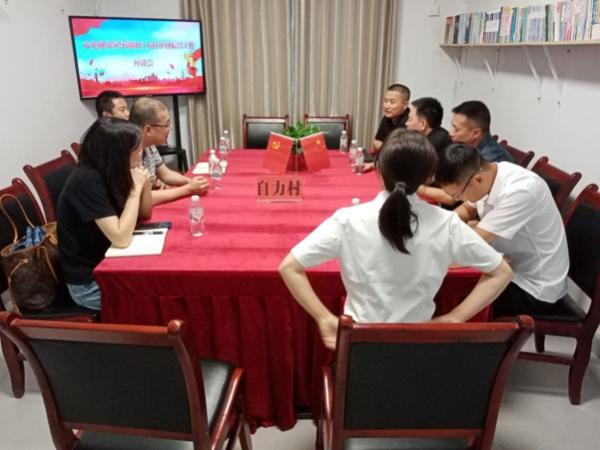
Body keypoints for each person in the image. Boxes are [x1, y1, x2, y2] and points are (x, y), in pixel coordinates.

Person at [279, 129, 513, 350]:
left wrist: (323, 317)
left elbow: (289, 267)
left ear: (378, 169)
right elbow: (501, 272)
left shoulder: (348, 220)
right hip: (418, 348)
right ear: (429, 176)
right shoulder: (446, 223)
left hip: (359, 348)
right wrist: (454, 317)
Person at [436, 143, 569, 317]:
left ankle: (449, 326)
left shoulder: (521, 190)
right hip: (511, 265)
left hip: (533, 287)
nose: (457, 199)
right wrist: (440, 227)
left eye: (457, 194)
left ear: (477, 180)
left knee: (445, 290)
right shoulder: (491, 174)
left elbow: (468, 247)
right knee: (443, 279)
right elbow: (467, 210)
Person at [57, 118, 153, 310]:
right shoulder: (86, 181)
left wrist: (144, 183)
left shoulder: (112, 170)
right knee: (155, 300)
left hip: (111, 262)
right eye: (137, 149)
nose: (142, 152)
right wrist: (135, 189)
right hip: (89, 284)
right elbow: (121, 238)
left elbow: (144, 213)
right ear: (119, 153)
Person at [129, 97, 209, 205]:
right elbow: (142, 199)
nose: (170, 129)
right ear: (148, 130)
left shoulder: (149, 146)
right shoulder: (130, 153)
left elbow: (166, 174)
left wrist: (190, 182)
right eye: (166, 125)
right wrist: (188, 189)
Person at [406, 97, 455, 206]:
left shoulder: (432, 144)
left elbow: (412, 175)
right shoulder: (436, 134)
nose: (406, 124)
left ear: (422, 124)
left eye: (410, 119)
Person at [372, 83, 411, 151]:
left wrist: (383, 146)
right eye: (385, 101)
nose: (386, 106)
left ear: (405, 105)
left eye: (392, 102)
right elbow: (376, 142)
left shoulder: (410, 121)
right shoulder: (387, 116)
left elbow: (398, 151)